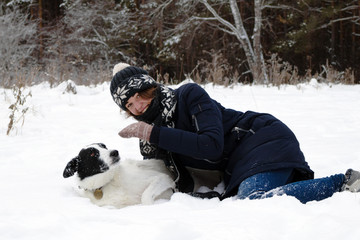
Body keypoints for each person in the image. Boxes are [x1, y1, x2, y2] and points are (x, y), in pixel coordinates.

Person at [110, 63, 360, 204]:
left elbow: (211, 145)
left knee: (254, 200)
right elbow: (162, 175)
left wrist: (153, 133)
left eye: (138, 96)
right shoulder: (151, 138)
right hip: (240, 165)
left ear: (150, 87)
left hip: (261, 137)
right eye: (129, 105)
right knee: (269, 199)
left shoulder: (188, 95)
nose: (137, 106)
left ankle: (344, 182)